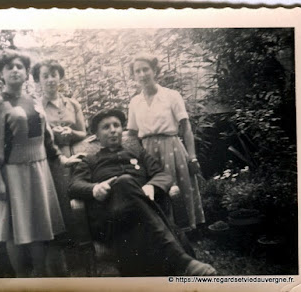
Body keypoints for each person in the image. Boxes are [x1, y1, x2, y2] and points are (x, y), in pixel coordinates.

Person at [69, 109, 216, 276]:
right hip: (111, 217)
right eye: (106, 127)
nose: (113, 130)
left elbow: (162, 174)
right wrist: (94, 189)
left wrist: (152, 186)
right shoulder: (90, 161)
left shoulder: (138, 153)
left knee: (135, 204)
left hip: (141, 216)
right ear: (96, 134)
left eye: (116, 125)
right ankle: (183, 262)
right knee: (124, 182)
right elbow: (74, 185)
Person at [0, 49, 80, 277]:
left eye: (20, 67)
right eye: (10, 67)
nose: (15, 70)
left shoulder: (33, 101)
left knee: (38, 227)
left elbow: (47, 138)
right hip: (13, 174)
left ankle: (41, 276)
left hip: (39, 171)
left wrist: (62, 159)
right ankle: (22, 279)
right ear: (1, 74)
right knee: (15, 230)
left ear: (27, 73)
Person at [127, 53, 205, 231]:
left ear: (155, 70)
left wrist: (192, 157)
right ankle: (163, 230)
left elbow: (185, 127)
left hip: (171, 148)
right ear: (133, 75)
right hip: (147, 151)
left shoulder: (171, 96)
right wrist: (136, 156)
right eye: (137, 71)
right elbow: (131, 133)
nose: (142, 74)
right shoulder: (135, 102)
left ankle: (185, 228)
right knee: (154, 189)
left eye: (145, 69)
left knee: (177, 187)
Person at [31, 59, 87, 275]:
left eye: (54, 74)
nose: (50, 79)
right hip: (51, 160)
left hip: (73, 156)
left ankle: (83, 255)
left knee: (78, 205)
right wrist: (54, 134)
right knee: (59, 208)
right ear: (38, 80)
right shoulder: (36, 108)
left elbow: (84, 132)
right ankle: (63, 262)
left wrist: (71, 134)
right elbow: (36, 137)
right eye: (45, 75)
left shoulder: (72, 104)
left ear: (60, 77)